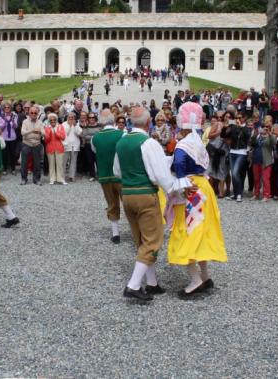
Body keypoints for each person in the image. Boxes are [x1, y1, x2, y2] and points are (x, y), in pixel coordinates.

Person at [114, 106, 195, 302]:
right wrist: (179, 187)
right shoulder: (149, 143)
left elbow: (117, 171)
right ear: (148, 122)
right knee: (153, 240)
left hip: (128, 194)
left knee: (141, 240)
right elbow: (161, 176)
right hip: (145, 194)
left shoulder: (122, 141)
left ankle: (152, 283)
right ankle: (133, 285)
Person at [167, 102, 227, 297]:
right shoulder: (197, 141)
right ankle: (205, 275)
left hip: (190, 191)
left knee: (187, 232)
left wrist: (180, 182)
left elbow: (178, 165)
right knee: (200, 231)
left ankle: (195, 280)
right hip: (203, 188)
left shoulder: (183, 145)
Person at [91, 109, 124, 244]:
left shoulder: (95, 138)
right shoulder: (121, 134)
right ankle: (137, 230)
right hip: (121, 175)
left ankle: (115, 233)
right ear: (113, 120)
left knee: (111, 203)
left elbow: (95, 151)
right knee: (127, 203)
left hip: (105, 176)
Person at [249, 119, 276, 201]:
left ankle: (266, 195)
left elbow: (274, 143)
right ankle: (256, 194)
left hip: (266, 161)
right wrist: (255, 133)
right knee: (256, 179)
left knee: (265, 179)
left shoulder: (271, 136)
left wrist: (269, 134)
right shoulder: (257, 136)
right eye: (262, 127)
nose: (264, 128)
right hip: (256, 160)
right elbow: (251, 143)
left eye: (266, 127)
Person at [227, 113, 252, 202]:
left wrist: (241, 126)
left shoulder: (247, 128)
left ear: (244, 118)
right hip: (232, 151)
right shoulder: (233, 127)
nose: (238, 119)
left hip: (242, 152)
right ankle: (236, 193)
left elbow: (248, 137)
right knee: (233, 174)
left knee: (235, 173)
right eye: (236, 117)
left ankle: (239, 194)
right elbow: (225, 135)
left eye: (240, 117)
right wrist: (228, 126)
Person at [20, 104, 44, 185]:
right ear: (29, 113)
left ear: (37, 114)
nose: (33, 114)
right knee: (24, 162)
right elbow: (22, 133)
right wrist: (31, 131)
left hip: (37, 144)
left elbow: (44, 133)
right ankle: (24, 179)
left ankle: (36, 179)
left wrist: (40, 132)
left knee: (37, 163)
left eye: (35, 113)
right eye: (32, 113)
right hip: (26, 143)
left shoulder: (40, 122)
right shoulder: (25, 122)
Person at [44, 113, 67, 185]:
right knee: (51, 164)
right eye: (51, 120)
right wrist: (49, 134)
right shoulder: (47, 128)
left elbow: (63, 137)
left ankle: (61, 179)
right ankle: (52, 179)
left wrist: (56, 133)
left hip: (59, 147)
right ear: (49, 121)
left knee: (60, 164)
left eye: (54, 120)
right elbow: (46, 140)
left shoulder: (60, 127)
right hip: (50, 148)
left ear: (56, 120)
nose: (53, 121)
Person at [81, 113, 101, 181]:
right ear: (88, 119)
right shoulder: (85, 126)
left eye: (93, 117)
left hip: (98, 145)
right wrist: (95, 136)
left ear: (95, 118)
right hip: (88, 145)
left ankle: (100, 174)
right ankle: (92, 175)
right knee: (90, 160)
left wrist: (91, 137)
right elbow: (84, 136)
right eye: (90, 118)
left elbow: (101, 134)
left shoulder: (99, 126)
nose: (91, 119)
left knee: (98, 160)